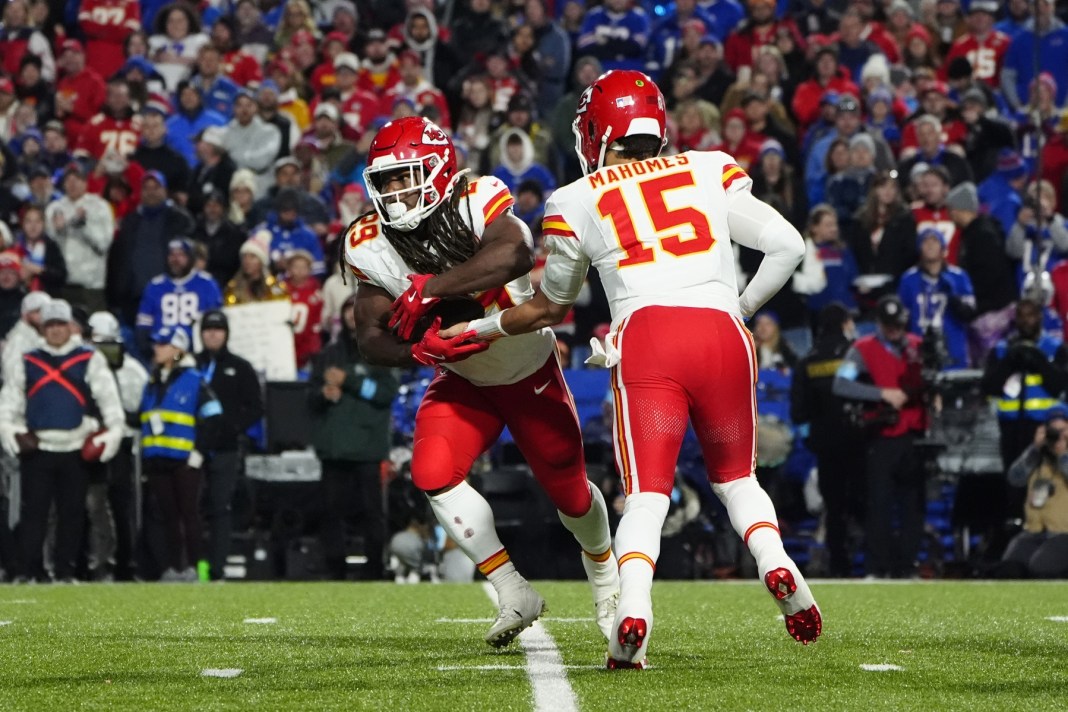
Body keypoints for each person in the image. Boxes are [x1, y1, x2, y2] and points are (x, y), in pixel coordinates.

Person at [443, 71, 819, 667]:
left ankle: (633, 611)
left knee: (646, 495)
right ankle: (778, 564)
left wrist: (478, 328)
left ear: (596, 132)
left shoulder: (574, 199)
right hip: (723, 332)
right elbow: (790, 245)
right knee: (738, 479)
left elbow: (549, 306)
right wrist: (737, 309)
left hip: (648, 335)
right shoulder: (709, 167)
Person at [344, 116, 618, 649]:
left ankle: (606, 580)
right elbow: (369, 338)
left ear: (440, 168)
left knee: (571, 495)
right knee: (431, 471)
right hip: (464, 376)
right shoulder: (370, 242)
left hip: (527, 369)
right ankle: (512, 589)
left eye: (407, 176)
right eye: (387, 181)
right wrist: (419, 349)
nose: (397, 191)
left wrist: (430, 290)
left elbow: (514, 252)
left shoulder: (478, 198)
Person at [0, 299, 124, 582]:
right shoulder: (27, 359)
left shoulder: (89, 358)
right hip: (39, 447)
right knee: (35, 514)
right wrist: (9, 428)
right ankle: (31, 571)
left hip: (75, 447)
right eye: (50, 325)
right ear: (42, 329)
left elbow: (109, 400)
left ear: (70, 326)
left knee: (72, 514)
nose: (55, 330)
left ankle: (66, 570)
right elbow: (10, 400)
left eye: (60, 324)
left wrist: (112, 430)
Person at [832, 295, 928, 579]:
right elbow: (841, 383)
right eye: (888, 325)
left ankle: (907, 565)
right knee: (880, 503)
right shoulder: (861, 349)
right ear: (879, 324)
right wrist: (881, 394)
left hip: (915, 432)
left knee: (913, 504)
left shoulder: (918, 346)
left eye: (897, 324)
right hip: (882, 434)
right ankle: (878, 566)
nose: (894, 330)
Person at [309, 295, 398, 580]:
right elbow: (309, 398)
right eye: (347, 310)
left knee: (373, 514)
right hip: (334, 449)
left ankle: (374, 569)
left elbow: (385, 394)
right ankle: (335, 569)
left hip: (368, 450)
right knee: (330, 512)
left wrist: (350, 381)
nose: (351, 316)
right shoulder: (328, 353)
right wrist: (323, 394)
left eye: (355, 311)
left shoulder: (380, 350)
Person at [139, 325, 222, 582]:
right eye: (157, 343)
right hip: (156, 458)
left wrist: (199, 452)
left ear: (178, 350)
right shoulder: (153, 380)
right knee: (168, 517)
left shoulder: (195, 380)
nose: (157, 349)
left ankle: (196, 568)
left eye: (164, 344)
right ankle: (175, 566)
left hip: (184, 460)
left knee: (189, 514)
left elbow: (213, 417)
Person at [791, 303, 863, 577]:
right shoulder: (856, 353)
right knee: (864, 500)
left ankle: (839, 565)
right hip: (858, 440)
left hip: (824, 445)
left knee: (833, 508)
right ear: (845, 323)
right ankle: (873, 562)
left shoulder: (807, 361)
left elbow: (798, 412)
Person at [194, 310, 263, 581]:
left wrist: (232, 427)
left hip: (225, 448)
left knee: (220, 508)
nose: (212, 334)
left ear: (226, 333)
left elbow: (256, 407)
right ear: (201, 334)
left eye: (218, 329)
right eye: (208, 329)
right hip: (192, 448)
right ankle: (193, 566)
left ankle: (217, 569)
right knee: (191, 510)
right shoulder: (190, 365)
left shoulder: (240, 367)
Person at [86, 310, 149, 581]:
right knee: (92, 505)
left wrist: (119, 415)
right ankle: (96, 561)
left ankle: (127, 562)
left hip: (123, 444)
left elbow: (143, 410)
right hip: (91, 441)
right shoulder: (85, 364)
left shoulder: (132, 370)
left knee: (123, 506)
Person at [982, 299, 1068, 474]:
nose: (1025, 321)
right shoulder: (1001, 350)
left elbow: (1059, 386)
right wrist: (1009, 361)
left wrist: (1039, 360)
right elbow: (989, 387)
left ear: (1039, 317)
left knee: (1045, 485)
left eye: (1030, 315)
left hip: (1045, 429)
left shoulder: (1055, 349)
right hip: (1010, 429)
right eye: (1020, 316)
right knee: (1014, 484)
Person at [999, 406, 1068, 578]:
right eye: (1053, 430)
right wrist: (1035, 448)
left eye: (1062, 430)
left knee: (1041, 567)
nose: (1056, 435)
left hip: (1063, 533)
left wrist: (1063, 454)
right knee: (1009, 569)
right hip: (1033, 531)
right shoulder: (1037, 456)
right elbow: (1014, 478)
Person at [135, 238, 223, 359]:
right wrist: (151, 350)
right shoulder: (155, 286)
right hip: (162, 351)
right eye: (172, 255)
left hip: (196, 352)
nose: (176, 259)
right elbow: (143, 326)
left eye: (181, 255)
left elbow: (216, 321)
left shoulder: (207, 284)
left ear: (191, 257)